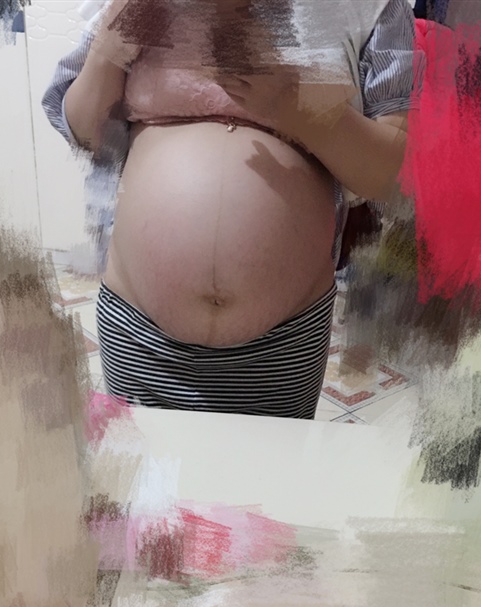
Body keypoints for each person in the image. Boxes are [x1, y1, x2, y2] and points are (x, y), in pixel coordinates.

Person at [43, 0, 420, 419]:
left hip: (283, 340)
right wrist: (109, 47)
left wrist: (299, 105)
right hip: (139, 326)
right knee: (139, 460)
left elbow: (395, 179)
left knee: (268, 462)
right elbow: (84, 132)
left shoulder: (372, 7)